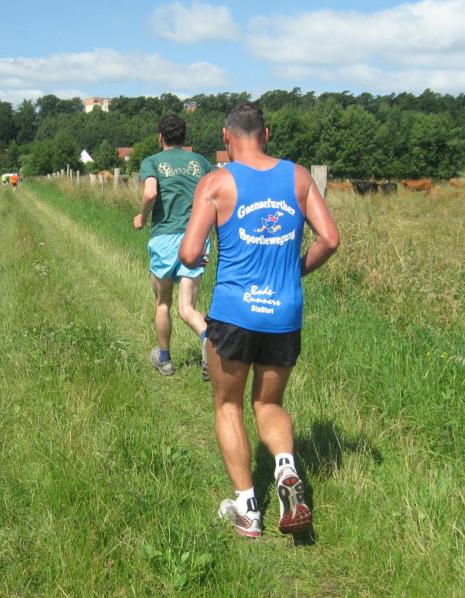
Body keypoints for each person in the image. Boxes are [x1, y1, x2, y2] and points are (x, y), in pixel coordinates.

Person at [179, 102, 339, 538]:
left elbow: (190, 254)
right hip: (284, 314)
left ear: (225, 137)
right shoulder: (298, 177)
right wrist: (295, 269)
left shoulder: (216, 183)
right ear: (266, 134)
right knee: (269, 404)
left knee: (227, 405)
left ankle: (248, 509)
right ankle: (285, 468)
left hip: (233, 315)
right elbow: (330, 239)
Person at [133, 115, 213, 379]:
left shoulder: (152, 161)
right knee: (187, 307)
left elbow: (150, 193)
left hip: (165, 238)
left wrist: (141, 217)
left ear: (160, 137)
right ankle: (208, 340)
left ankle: (165, 360)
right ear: (184, 137)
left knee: (162, 303)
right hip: (195, 238)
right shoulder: (201, 162)